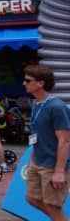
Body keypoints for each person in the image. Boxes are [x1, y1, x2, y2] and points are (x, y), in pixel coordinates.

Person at [23, 65, 70, 220]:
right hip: (37, 161)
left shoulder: (57, 107)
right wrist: (31, 160)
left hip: (52, 165)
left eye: (28, 80)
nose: (24, 83)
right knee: (32, 199)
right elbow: (37, 136)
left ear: (41, 83)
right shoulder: (36, 104)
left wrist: (59, 171)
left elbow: (64, 140)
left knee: (52, 205)